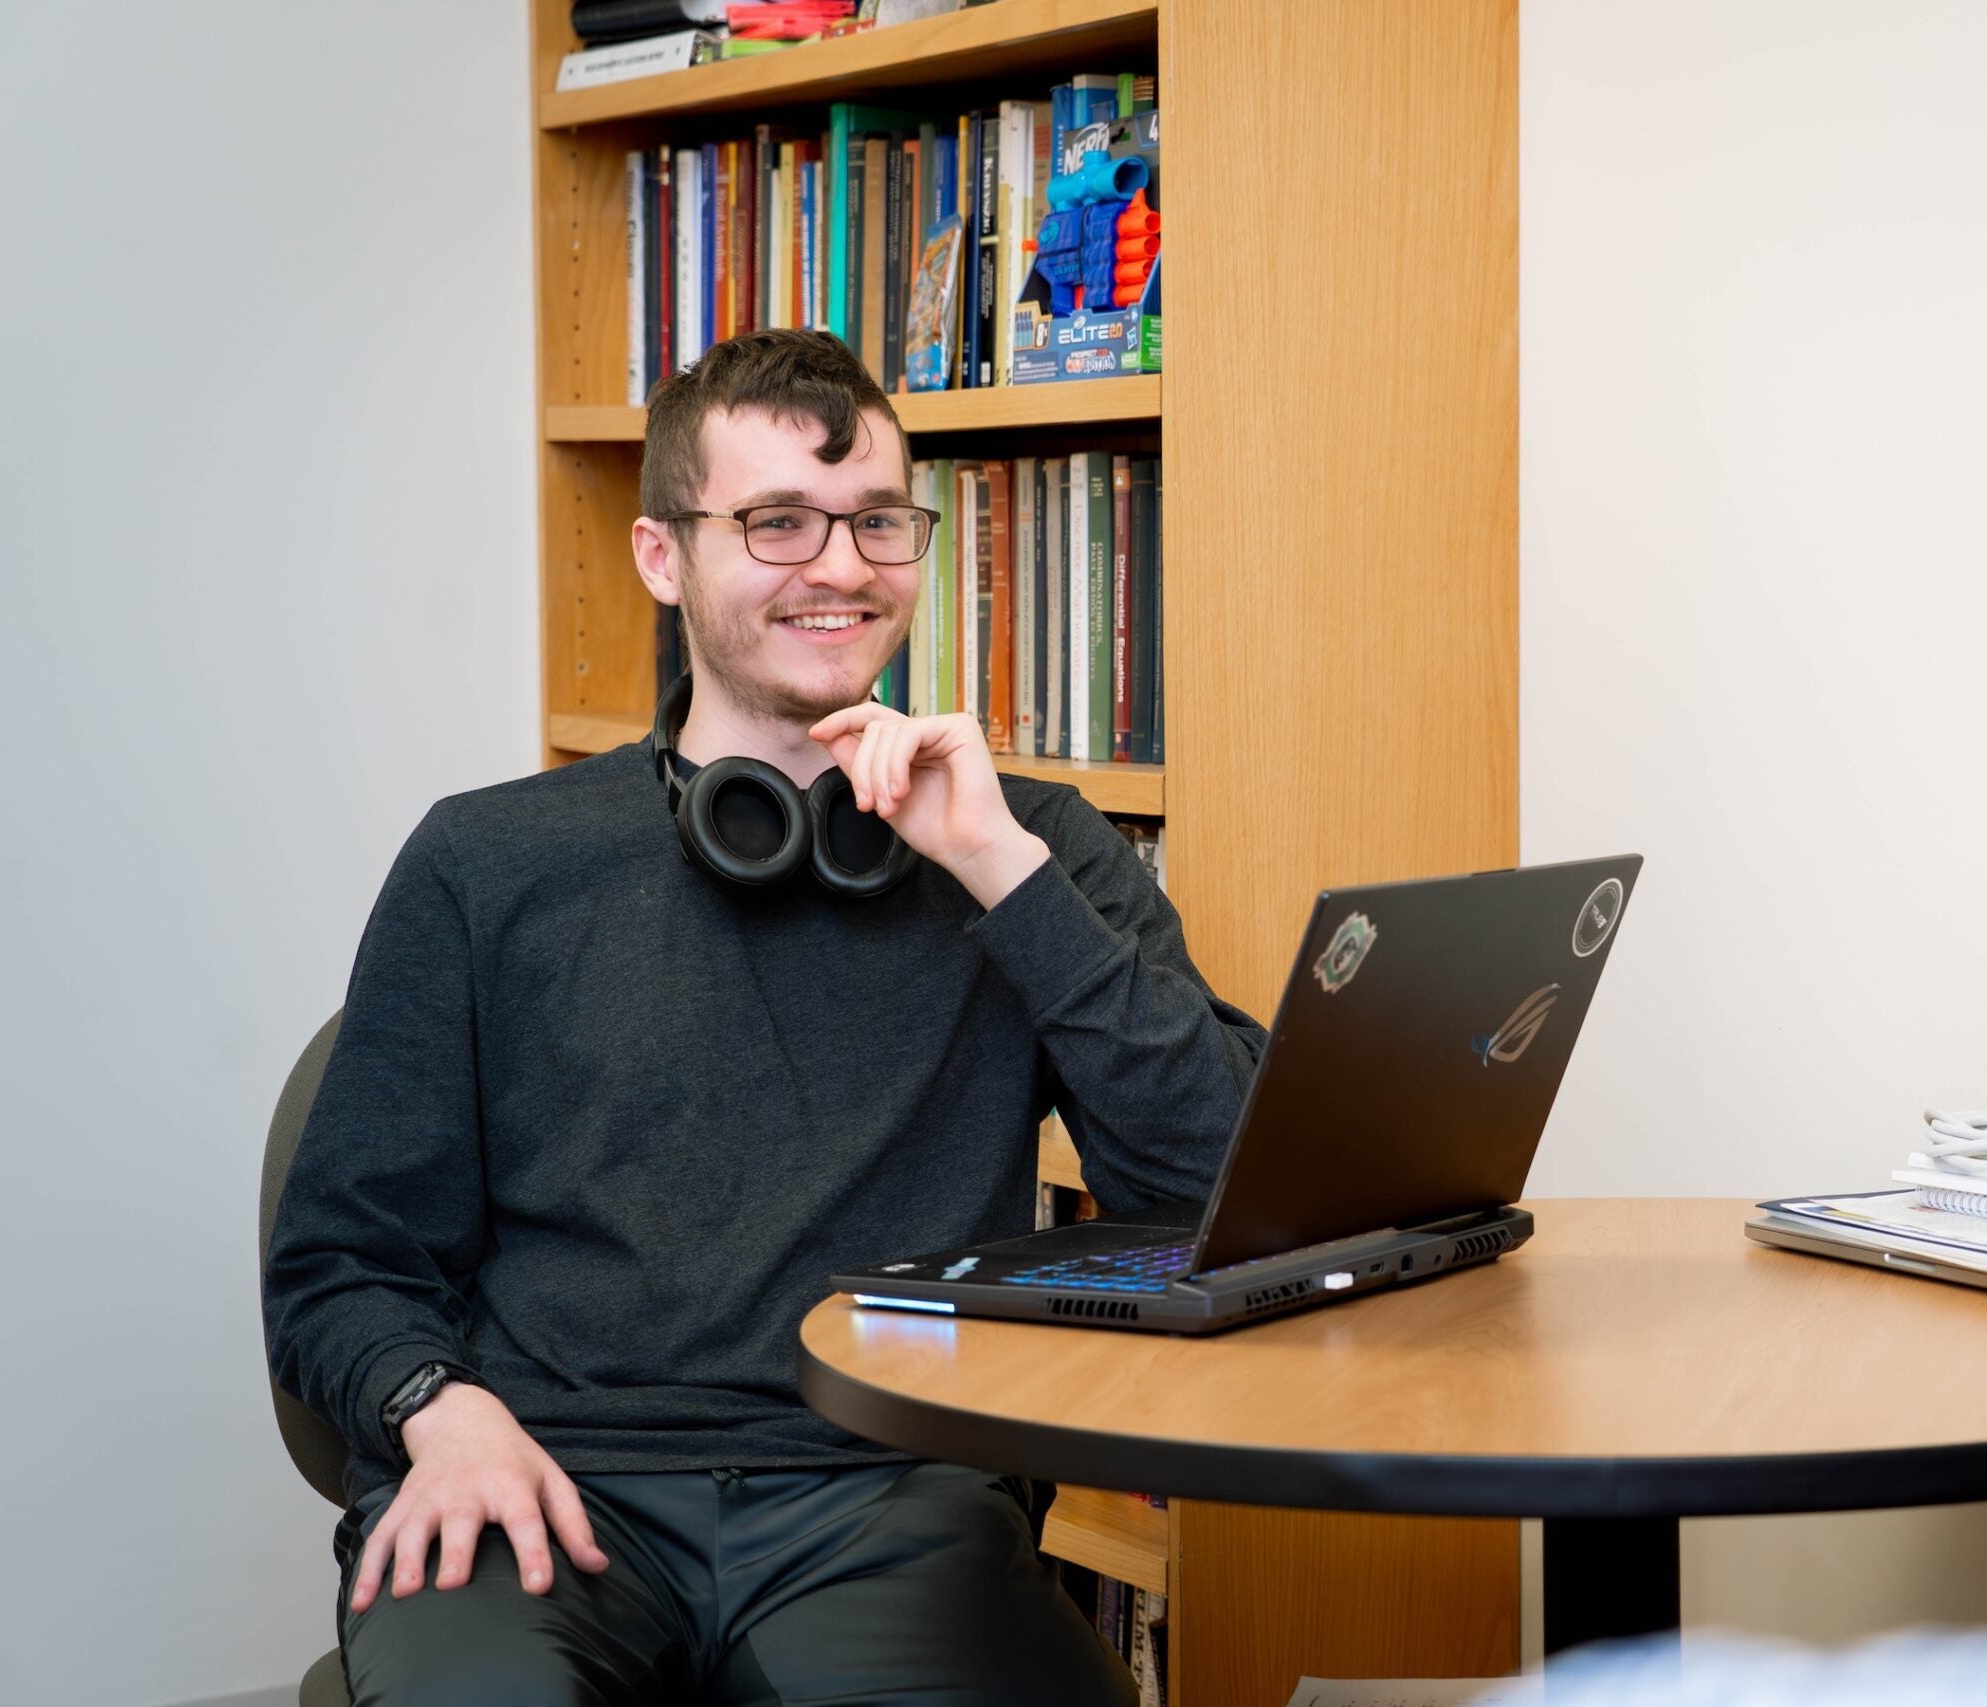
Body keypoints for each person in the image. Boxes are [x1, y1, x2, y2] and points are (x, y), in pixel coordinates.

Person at [264, 328, 1265, 1705]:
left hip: (890, 1495)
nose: (842, 566)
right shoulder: (487, 862)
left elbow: (1222, 1194)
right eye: (777, 522)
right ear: (662, 557)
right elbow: (338, 1266)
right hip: (542, 1484)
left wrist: (996, 872)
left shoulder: (1028, 848)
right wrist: (442, 1414)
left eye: (875, 524)